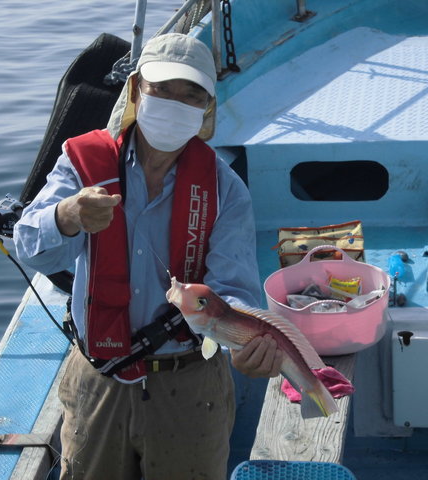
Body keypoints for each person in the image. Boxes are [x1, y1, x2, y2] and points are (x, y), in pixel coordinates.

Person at [14, 33, 282, 480]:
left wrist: (246, 349)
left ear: (206, 109)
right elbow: (30, 249)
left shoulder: (224, 189)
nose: (176, 103)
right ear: (137, 91)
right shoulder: (82, 162)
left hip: (191, 383)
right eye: (163, 89)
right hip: (99, 377)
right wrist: (67, 214)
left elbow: (232, 290)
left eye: (191, 94)